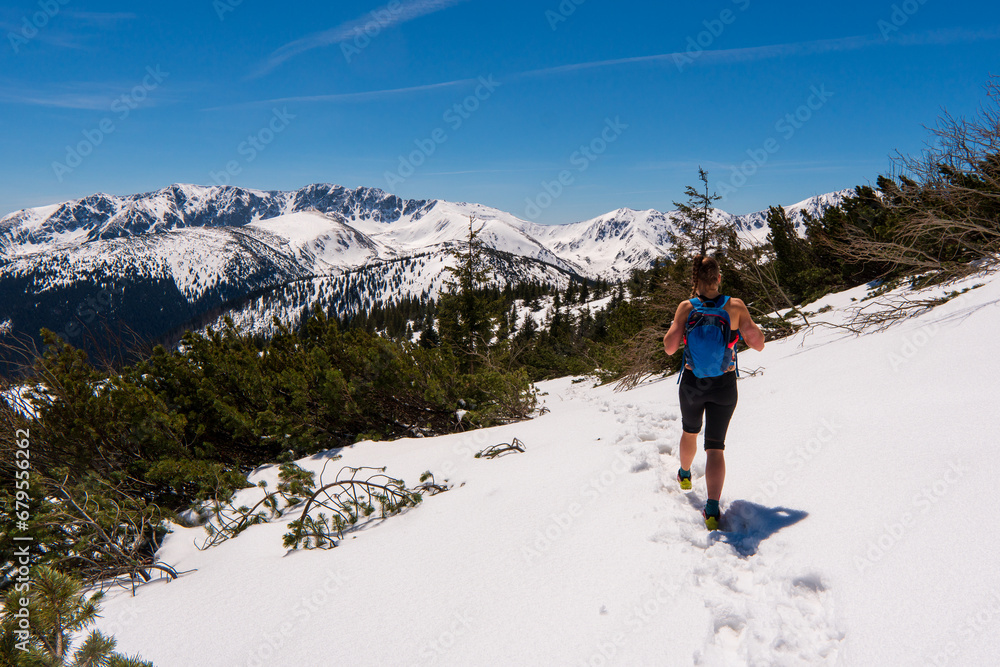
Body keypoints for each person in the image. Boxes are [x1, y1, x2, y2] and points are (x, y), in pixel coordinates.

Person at [662, 256, 765, 529]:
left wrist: (680, 323)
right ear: (719, 278)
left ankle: (685, 474)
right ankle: (711, 510)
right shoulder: (735, 306)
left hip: (693, 384)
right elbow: (758, 344)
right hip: (724, 385)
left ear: (695, 281)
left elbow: (670, 347)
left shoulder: (686, 307)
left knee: (690, 431)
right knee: (715, 448)